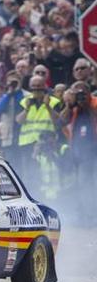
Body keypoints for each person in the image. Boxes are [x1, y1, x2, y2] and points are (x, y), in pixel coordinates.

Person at [61, 81, 97, 224]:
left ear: (88, 92)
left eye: (82, 93)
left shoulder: (94, 103)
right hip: (79, 153)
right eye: (77, 94)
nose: (80, 96)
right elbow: (60, 121)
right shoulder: (74, 108)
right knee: (81, 184)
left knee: (91, 183)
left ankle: (92, 214)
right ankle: (84, 215)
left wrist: (86, 103)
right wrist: (69, 105)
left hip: (93, 150)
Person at [16, 75, 61, 190]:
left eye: (39, 87)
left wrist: (47, 106)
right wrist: (27, 109)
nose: (36, 90)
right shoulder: (24, 102)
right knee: (28, 177)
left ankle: (49, 197)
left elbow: (58, 121)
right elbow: (18, 121)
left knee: (47, 175)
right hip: (27, 144)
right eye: (33, 87)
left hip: (47, 144)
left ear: (45, 87)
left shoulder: (54, 102)